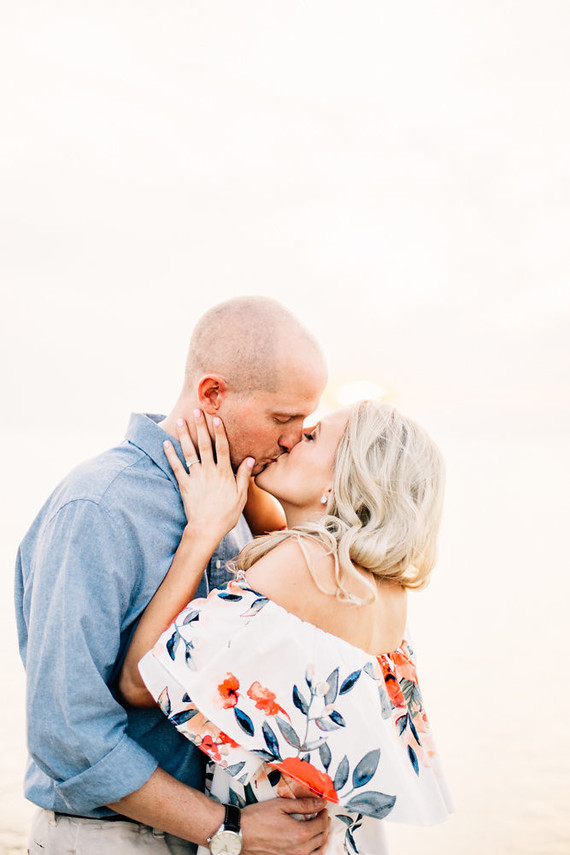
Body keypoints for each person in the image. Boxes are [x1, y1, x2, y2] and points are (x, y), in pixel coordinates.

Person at [15, 296, 331, 855]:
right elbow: (68, 732)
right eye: (282, 418)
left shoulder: (234, 499)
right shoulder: (100, 506)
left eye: (304, 423)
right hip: (113, 840)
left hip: (206, 835)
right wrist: (229, 828)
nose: (291, 438)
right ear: (213, 394)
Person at [119, 400, 453, 855]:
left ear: (344, 478)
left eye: (312, 436)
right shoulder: (382, 586)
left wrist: (203, 529)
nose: (293, 437)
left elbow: (141, 682)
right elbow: (283, 534)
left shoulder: (303, 566)